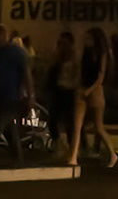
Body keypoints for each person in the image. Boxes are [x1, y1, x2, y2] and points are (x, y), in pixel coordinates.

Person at [0, 25, 33, 164]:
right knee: (8, 125)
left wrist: (30, 96)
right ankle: (17, 155)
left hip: (12, 96)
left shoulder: (16, 53)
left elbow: (27, 75)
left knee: (0, 121)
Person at [71, 28, 118, 167]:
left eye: (89, 39)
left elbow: (100, 76)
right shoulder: (85, 54)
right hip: (83, 89)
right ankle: (73, 156)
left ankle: (112, 153)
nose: (86, 41)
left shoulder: (102, 54)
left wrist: (89, 90)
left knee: (98, 127)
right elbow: (80, 72)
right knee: (77, 125)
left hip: (95, 90)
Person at [45, 33, 79, 163]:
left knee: (70, 122)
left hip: (69, 91)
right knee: (53, 119)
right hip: (58, 90)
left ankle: (71, 149)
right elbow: (51, 72)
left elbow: (76, 75)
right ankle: (60, 145)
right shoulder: (58, 57)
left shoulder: (74, 58)